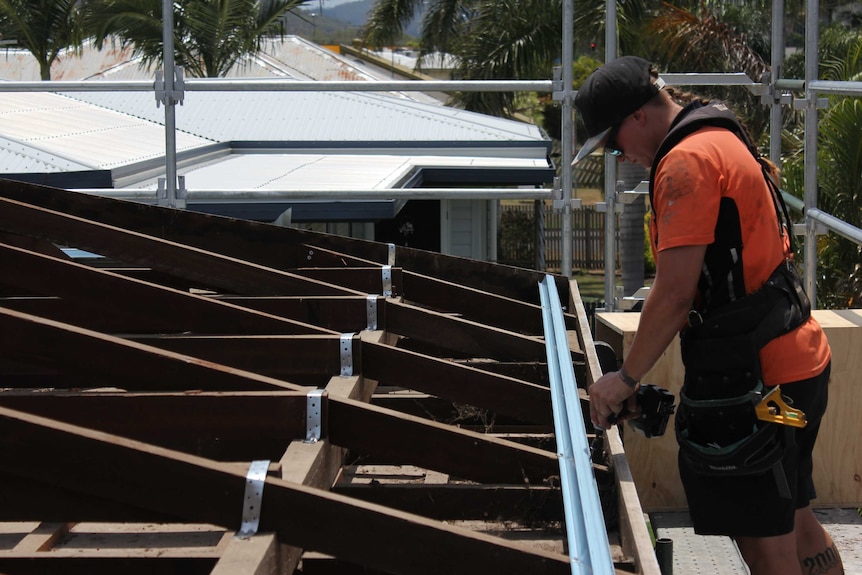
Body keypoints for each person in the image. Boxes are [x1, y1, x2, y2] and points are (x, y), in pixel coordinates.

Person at [574, 56, 844, 575]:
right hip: (797, 367)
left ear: (636, 117)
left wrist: (626, 378)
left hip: (759, 386)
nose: (620, 156)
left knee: (768, 548)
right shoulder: (717, 132)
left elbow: (675, 294)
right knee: (797, 520)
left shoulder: (684, 163)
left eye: (612, 143)